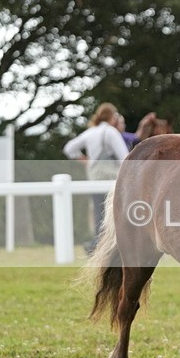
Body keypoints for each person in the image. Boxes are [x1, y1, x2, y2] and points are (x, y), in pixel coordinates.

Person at [63, 102, 130, 254]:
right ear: (112, 117)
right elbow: (124, 158)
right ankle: (104, 246)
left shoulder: (90, 132)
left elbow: (69, 148)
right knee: (114, 214)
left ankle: (96, 245)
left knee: (99, 215)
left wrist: (84, 160)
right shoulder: (111, 132)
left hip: (93, 178)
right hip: (110, 180)